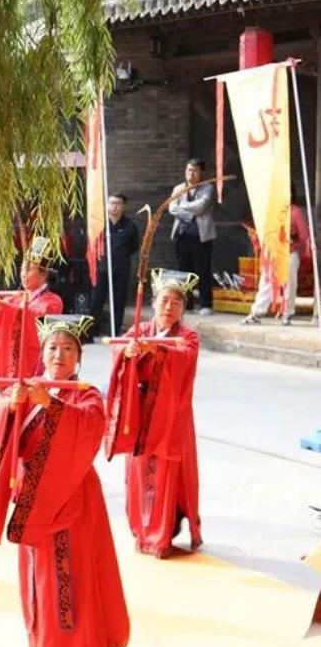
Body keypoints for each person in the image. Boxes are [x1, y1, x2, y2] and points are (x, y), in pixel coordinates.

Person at [0, 314, 130, 647]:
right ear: (41, 352)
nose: (59, 355)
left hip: (72, 496)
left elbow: (89, 426)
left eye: (68, 348)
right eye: (53, 347)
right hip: (34, 497)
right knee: (39, 576)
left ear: (79, 357)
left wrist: (50, 404)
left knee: (71, 573)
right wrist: (11, 407)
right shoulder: (26, 388)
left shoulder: (86, 394)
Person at [105, 269, 202, 558]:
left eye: (176, 302)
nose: (169, 307)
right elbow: (119, 353)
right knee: (138, 472)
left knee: (166, 474)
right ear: (153, 302)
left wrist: (157, 351)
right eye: (163, 300)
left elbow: (184, 358)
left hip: (171, 415)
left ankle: (161, 536)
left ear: (183, 308)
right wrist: (129, 353)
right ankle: (141, 530)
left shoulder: (187, 336)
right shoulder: (140, 330)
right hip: (140, 412)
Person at [0, 236, 64, 414]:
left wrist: (2, 306)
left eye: (29, 269)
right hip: (12, 368)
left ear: (43, 274)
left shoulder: (52, 301)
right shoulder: (15, 298)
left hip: (35, 366)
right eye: (22, 269)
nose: (23, 274)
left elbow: (35, 319)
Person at [241, 196, 313, 326]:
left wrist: (297, 246)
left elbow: (304, 235)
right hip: (272, 252)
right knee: (266, 283)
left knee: (289, 284)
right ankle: (257, 313)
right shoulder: (269, 210)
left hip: (289, 252)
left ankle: (287, 313)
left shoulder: (295, 211)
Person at [169, 159, 217, 314]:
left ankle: (206, 305)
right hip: (182, 235)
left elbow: (201, 206)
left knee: (203, 270)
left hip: (201, 236)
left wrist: (182, 206)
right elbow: (171, 208)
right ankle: (187, 303)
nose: (191, 173)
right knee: (184, 271)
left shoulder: (208, 188)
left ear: (202, 172)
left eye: (195, 170)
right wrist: (190, 214)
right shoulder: (178, 188)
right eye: (189, 170)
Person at [90, 192, 140, 337]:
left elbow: (134, 246)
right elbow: (93, 245)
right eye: (112, 203)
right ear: (107, 205)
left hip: (121, 270)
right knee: (96, 301)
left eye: (118, 203)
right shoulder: (100, 225)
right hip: (102, 269)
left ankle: (114, 333)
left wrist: (120, 256)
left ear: (124, 206)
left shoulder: (130, 226)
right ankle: (91, 333)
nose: (114, 206)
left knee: (118, 302)